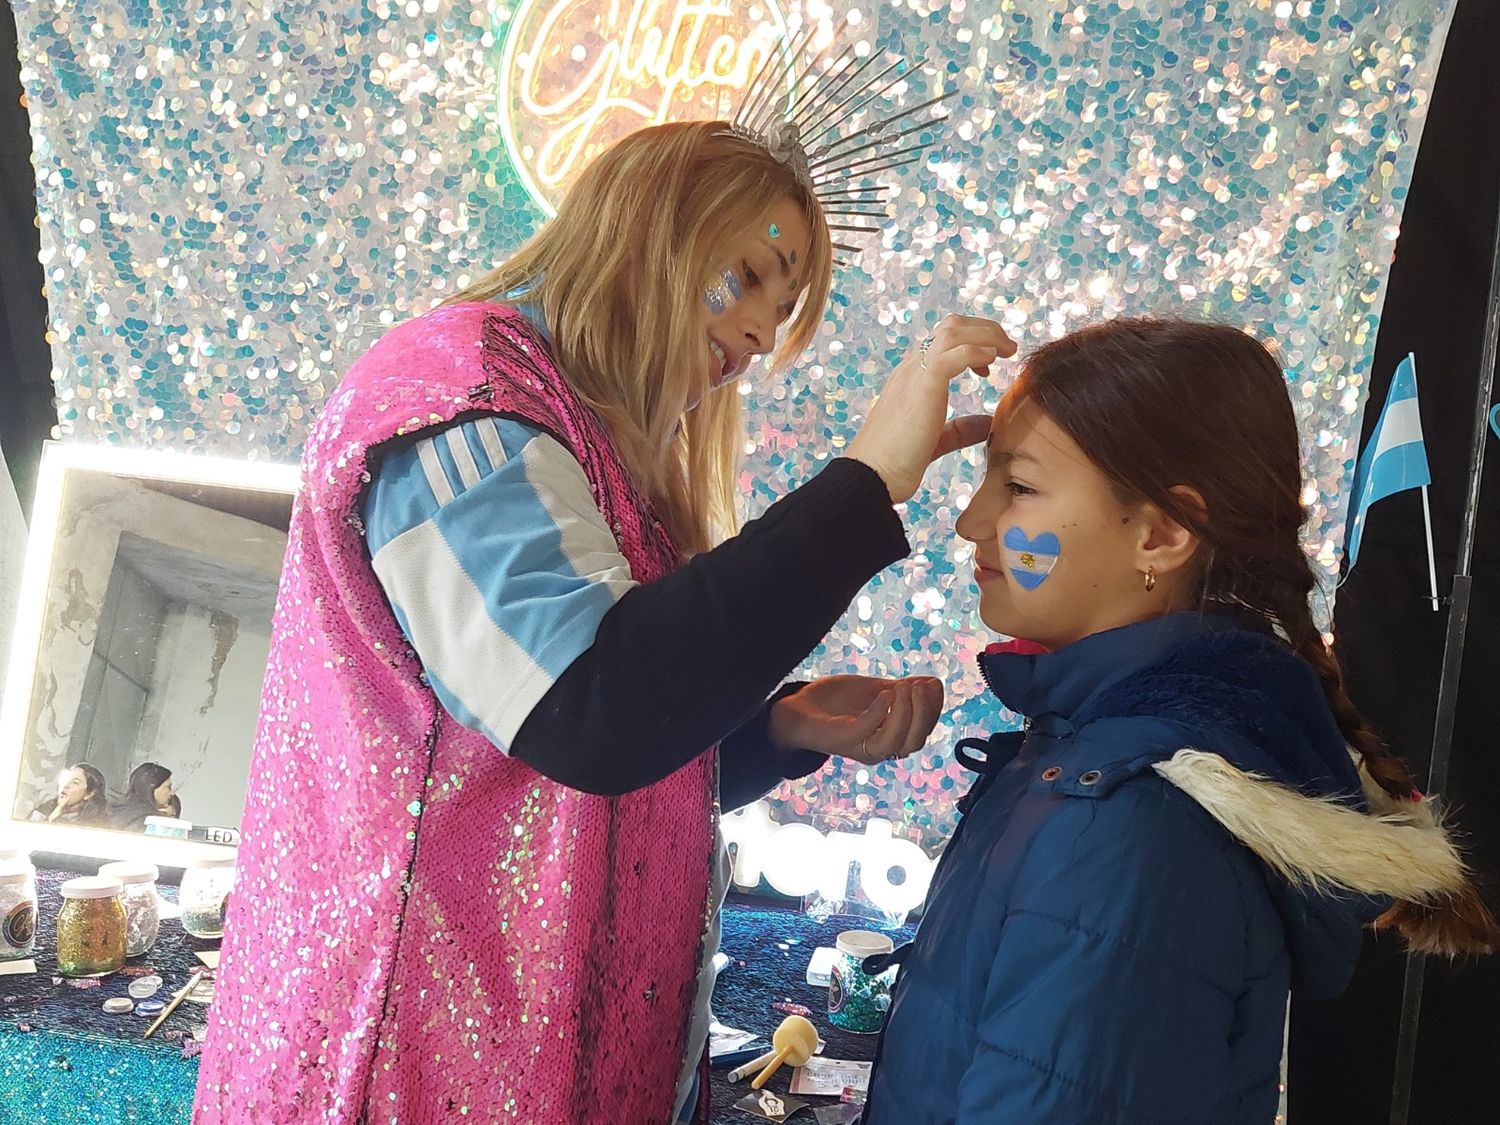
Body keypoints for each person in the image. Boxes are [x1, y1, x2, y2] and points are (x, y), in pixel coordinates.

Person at [197, 114, 1012, 1123]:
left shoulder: (594, 455)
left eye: (786, 305)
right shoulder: (464, 402)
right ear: (650, 227)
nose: (762, 333)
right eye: (752, 276)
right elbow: (592, 708)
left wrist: (773, 732)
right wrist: (867, 482)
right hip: (415, 1065)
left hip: (546, 1059)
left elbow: (565, 770)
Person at [862, 318, 1499, 1124]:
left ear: (1162, 534)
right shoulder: (1098, 751)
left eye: (1017, 486)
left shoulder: (1130, 825)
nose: (971, 521)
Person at [29, 763, 109, 826]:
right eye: (67, 780)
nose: (66, 785)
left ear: (89, 794)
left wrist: (55, 819)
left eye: (75, 782)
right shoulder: (45, 808)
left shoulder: (93, 824)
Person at [109, 762, 175, 831]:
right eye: (168, 787)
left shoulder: (112, 811)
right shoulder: (151, 823)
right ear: (152, 787)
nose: (172, 793)